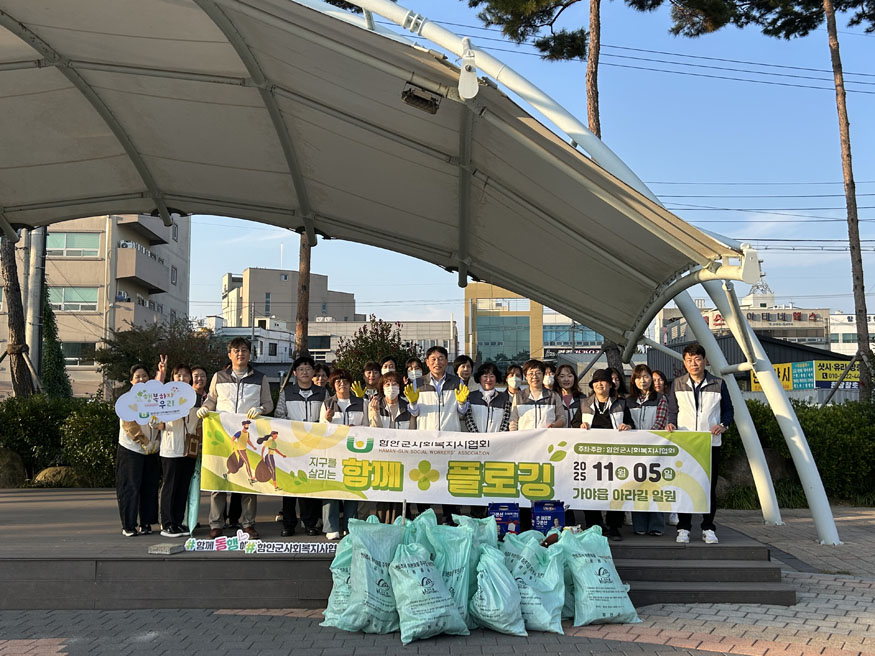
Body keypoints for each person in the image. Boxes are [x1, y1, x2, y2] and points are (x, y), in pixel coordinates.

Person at [197, 337, 272, 540]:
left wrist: (261, 409)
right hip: (222, 436)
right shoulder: (219, 377)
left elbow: (268, 404)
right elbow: (212, 399)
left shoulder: (260, 378)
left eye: (244, 350)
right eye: (236, 350)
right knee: (219, 480)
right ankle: (216, 524)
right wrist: (205, 408)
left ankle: (248, 524)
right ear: (229, 354)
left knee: (249, 480)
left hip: (249, 436)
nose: (240, 354)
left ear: (250, 354)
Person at [666, 343, 734, 545]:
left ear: (705, 361)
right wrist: (670, 423)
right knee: (684, 484)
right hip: (685, 444)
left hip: (710, 443)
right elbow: (673, 410)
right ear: (684, 363)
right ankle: (684, 528)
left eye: (697, 359)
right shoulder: (677, 383)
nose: (693, 363)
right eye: (688, 360)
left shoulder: (718, 383)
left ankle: (708, 527)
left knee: (708, 487)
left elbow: (728, 411)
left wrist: (723, 425)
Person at [407, 346, 469, 523]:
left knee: (448, 481)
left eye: (441, 358)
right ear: (427, 362)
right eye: (433, 359)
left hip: (450, 440)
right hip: (426, 442)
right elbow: (414, 413)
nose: (437, 362)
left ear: (446, 361)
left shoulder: (457, 382)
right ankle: (425, 519)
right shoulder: (418, 383)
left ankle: (449, 519)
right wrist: (412, 403)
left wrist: (463, 402)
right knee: (425, 480)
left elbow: (462, 411)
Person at [573, 368, 634, 541]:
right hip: (590, 456)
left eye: (604, 381)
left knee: (616, 490)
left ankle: (614, 526)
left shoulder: (621, 403)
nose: (600, 384)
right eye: (596, 381)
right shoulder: (584, 403)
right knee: (590, 489)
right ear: (593, 385)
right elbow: (575, 423)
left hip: (615, 456)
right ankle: (594, 525)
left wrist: (627, 426)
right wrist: (581, 426)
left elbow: (631, 423)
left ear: (610, 384)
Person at [274, 355, 328, 537]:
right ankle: (289, 524)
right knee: (289, 486)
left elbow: (329, 417)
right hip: (291, 446)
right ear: (295, 373)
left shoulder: (323, 393)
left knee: (309, 485)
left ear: (314, 373)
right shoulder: (286, 393)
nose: (305, 372)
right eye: (301, 369)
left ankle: (310, 523)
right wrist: (293, 430)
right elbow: (279, 415)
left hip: (315, 445)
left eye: (308, 369)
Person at [116, 364, 161, 537]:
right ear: (131, 381)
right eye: (137, 377)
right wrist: (144, 441)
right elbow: (129, 425)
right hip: (131, 449)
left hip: (151, 450)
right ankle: (129, 525)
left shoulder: (155, 398)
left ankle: (146, 522)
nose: (141, 380)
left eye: (144, 376)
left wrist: (156, 441)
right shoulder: (127, 399)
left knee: (149, 486)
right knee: (130, 487)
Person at [320, 369, 366, 539]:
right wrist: (328, 420)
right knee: (332, 490)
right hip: (333, 452)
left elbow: (368, 427)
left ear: (350, 383)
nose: (342, 384)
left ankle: (350, 525)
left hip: (355, 453)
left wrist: (358, 430)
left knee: (352, 490)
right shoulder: (326, 404)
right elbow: (320, 430)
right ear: (333, 385)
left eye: (345, 381)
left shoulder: (362, 403)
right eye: (338, 382)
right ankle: (331, 527)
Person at [627, 364, 669, 537]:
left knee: (656, 487)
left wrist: (647, 440)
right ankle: (640, 525)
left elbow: (660, 422)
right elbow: (626, 421)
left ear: (651, 379)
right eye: (638, 377)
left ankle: (657, 525)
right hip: (634, 452)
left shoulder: (660, 398)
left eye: (645, 376)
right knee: (637, 487)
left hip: (656, 449)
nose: (642, 380)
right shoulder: (628, 400)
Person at [369, 370, 415, 523]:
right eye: (387, 384)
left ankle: (402, 523)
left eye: (395, 384)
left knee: (401, 496)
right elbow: (374, 433)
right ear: (382, 387)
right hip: (382, 458)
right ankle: (383, 523)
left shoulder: (408, 407)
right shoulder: (375, 405)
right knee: (383, 495)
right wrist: (374, 412)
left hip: (403, 458)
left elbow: (413, 432)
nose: (391, 387)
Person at [158, 364, 198, 538]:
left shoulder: (195, 398)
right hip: (171, 449)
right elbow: (155, 422)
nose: (182, 379)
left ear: (190, 379)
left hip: (189, 450)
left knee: (183, 488)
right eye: (178, 375)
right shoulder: (166, 397)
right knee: (170, 488)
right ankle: (167, 524)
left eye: (185, 376)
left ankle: (178, 522)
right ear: (173, 378)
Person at [508, 360, 565, 431]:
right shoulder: (518, 396)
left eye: (538, 373)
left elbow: (561, 418)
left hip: (547, 439)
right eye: (530, 373)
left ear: (543, 375)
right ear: (526, 377)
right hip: (524, 439)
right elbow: (513, 421)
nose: (534, 376)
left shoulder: (553, 396)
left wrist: (554, 425)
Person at [463, 363, 511, 433]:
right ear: (480, 378)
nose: (488, 380)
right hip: (477, 440)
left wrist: (499, 437)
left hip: (498, 441)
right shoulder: (470, 397)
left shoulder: (504, 398)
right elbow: (468, 419)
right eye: (485, 376)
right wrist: (478, 437)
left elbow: (506, 421)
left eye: (492, 376)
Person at [555, 364, 583, 428]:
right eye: (562, 376)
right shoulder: (553, 398)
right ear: (557, 379)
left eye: (570, 376)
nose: (566, 379)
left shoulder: (582, 398)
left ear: (574, 378)